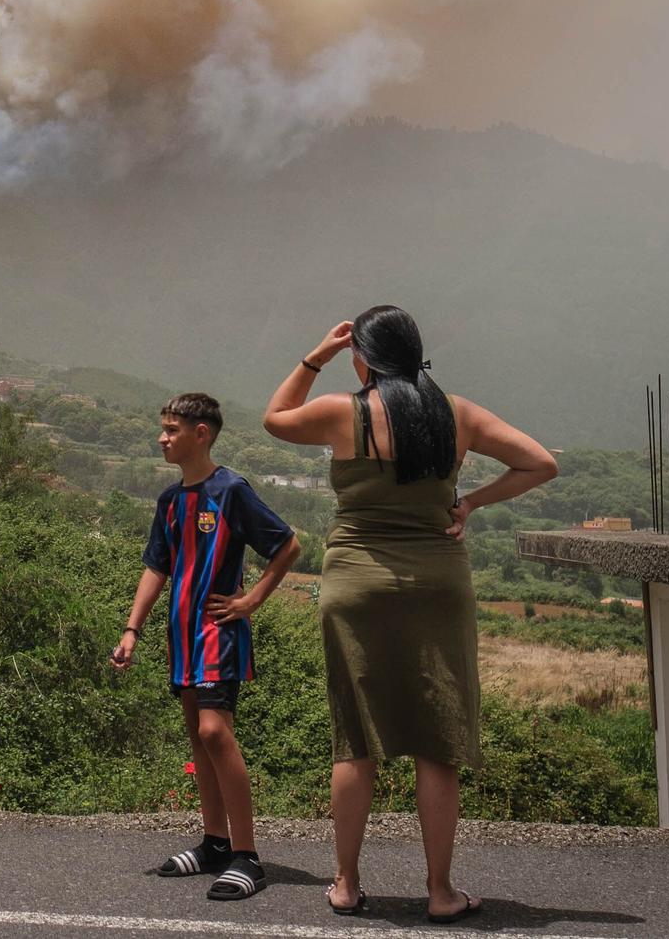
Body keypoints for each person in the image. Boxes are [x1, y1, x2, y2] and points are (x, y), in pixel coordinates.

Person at [263, 307, 556, 923]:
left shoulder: (346, 412)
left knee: (356, 741)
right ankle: (441, 892)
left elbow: (275, 419)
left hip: (355, 584)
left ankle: (346, 883)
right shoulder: (457, 413)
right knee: (437, 741)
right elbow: (539, 463)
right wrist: (469, 501)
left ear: (362, 357)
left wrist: (316, 355)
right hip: (438, 585)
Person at [112, 392, 299, 902]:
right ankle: (215, 843)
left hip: (218, 632)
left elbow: (287, 545)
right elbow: (157, 566)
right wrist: (132, 630)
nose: (162, 438)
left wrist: (251, 601)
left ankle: (248, 856)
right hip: (181, 635)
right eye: (163, 428)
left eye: (172, 429)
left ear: (202, 434)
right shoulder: (171, 501)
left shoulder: (231, 489)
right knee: (199, 737)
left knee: (216, 732)